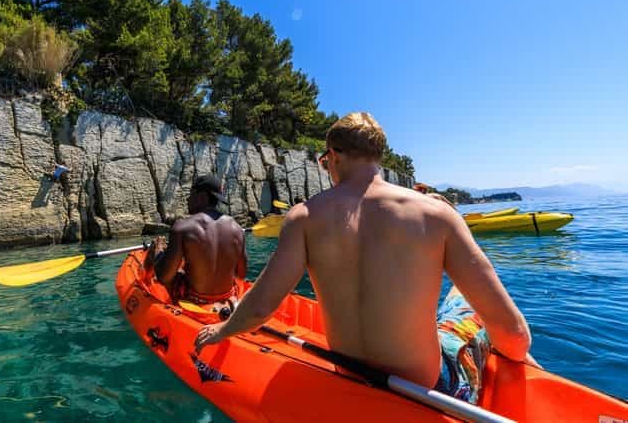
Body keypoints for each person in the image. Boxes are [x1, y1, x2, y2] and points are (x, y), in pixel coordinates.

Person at [195, 112, 534, 405]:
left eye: (325, 163)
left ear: (333, 156)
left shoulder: (303, 217)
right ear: (377, 156)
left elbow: (259, 308)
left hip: (350, 374)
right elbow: (514, 332)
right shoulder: (436, 214)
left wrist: (221, 332)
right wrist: (518, 357)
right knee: (467, 309)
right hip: (426, 388)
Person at [145, 174, 247, 310]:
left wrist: (158, 252)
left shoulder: (182, 227)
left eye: (191, 193)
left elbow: (165, 277)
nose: (188, 199)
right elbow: (241, 274)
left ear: (202, 196)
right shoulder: (237, 229)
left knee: (157, 252)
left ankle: (144, 284)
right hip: (227, 297)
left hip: (193, 299)